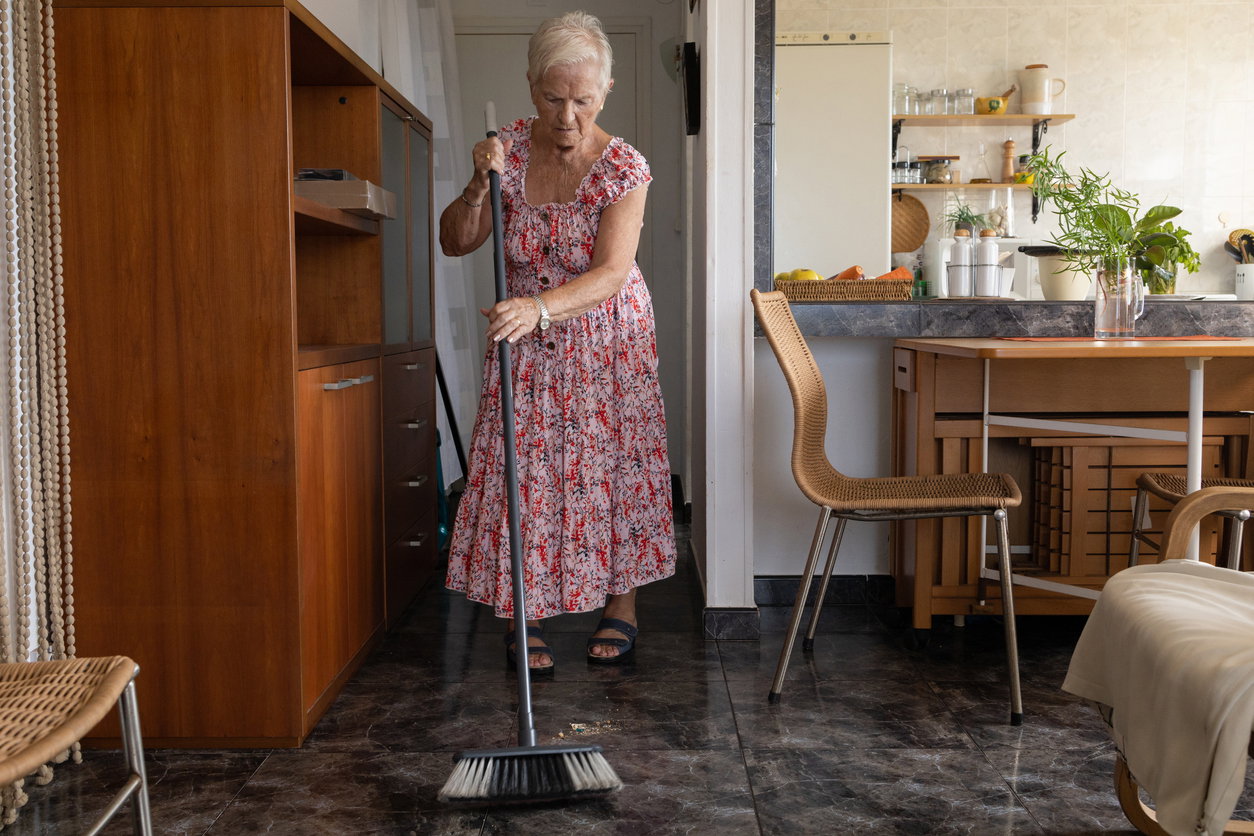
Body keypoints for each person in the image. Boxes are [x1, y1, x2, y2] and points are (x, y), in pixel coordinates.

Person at [440, 11, 675, 673]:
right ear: (530, 85)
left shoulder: (624, 166)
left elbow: (610, 273)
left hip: (605, 341)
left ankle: (620, 606)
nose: (567, 115)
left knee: (614, 471)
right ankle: (525, 610)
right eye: (552, 98)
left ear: (605, 93)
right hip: (524, 337)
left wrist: (539, 308)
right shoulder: (506, 152)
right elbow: (457, 241)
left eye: (584, 99)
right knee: (525, 474)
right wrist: (476, 185)